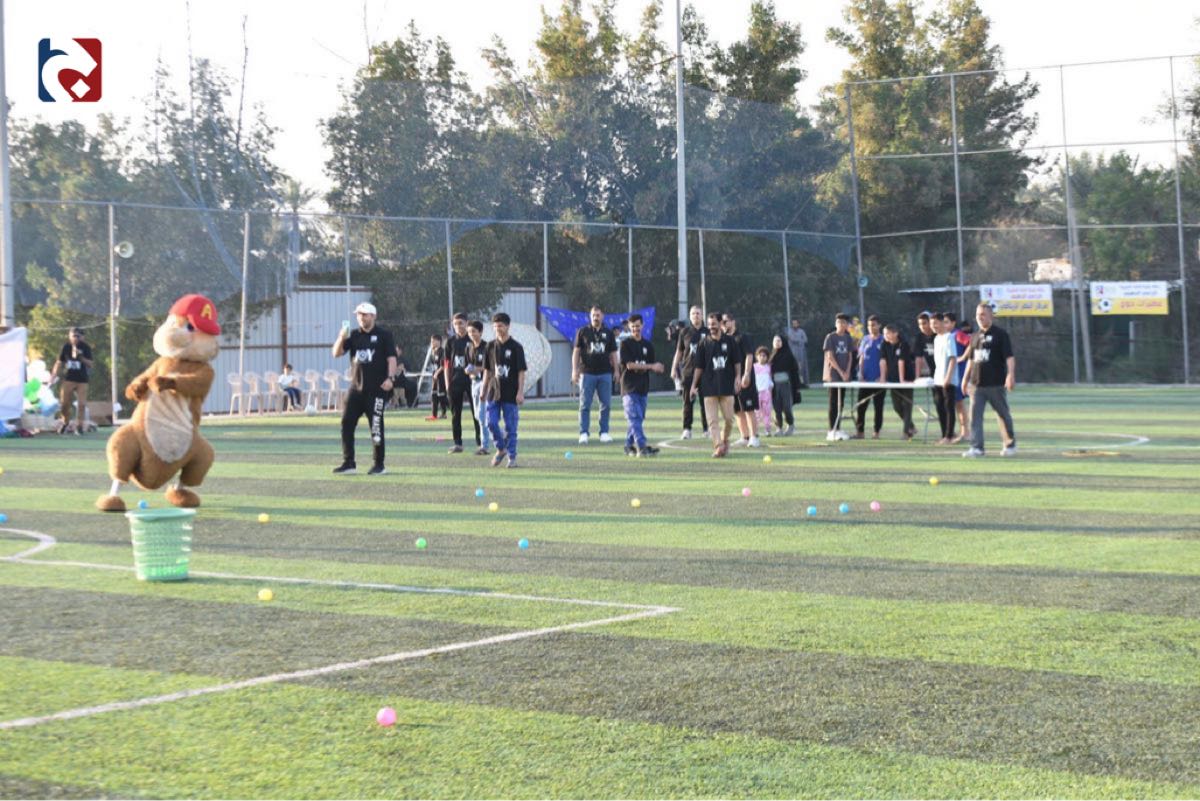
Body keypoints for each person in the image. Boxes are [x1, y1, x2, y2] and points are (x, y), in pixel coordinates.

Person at [331, 302, 397, 475]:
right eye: (359, 315)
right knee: (346, 423)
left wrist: (390, 378)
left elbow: (392, 359)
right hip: (356, 388)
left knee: (376, 426)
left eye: (364, 314)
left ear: (373, 316)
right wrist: (341, 337)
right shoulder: (353, 335)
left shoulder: (384, 335)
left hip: (377, 389)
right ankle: (349, 463)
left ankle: (379, 464)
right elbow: (336, 353)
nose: (361, 318)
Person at [960, 303, 1017, 458]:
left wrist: (1010, 375)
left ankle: (1010, 445)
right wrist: (965, 379)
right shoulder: (974, 336)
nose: (980, 317)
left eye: (983, 314)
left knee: (1003, 415)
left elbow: (1009, 357)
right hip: (976, 385)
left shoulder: (1000, 334)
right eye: (978, 314)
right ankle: (977, 448)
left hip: (995, 384)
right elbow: (971, 360)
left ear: (991, 315)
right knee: (975, 417)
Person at [690, 311, 742, 458]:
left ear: (720, 324)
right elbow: (698, 367)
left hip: (727, 386)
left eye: (714, 324)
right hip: (708, 388)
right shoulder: (703, 343)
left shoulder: (730, 341)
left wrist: (738, 377)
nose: (711, 327)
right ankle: (718, 446)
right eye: (709, 324)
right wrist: (693, 385)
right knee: (712, 421)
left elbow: (737, 362)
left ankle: (725, 441)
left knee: (729, 419)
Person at [482, 312, 527, 468]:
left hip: (511, 393)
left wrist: (520, 392)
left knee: (510, 428)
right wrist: (483, 390)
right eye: (495, 326)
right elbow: (487, 371)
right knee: (491, 423)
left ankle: (512, 458)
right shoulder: (489, 346)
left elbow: (521, 372)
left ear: (507, 326)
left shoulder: (516, 347)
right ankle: (501, 448)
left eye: (500, 326)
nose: (497, 329)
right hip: (493, 391)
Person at [572, 305, 619, 444]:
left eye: (598, 315)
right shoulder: (583, 332)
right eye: (593, 315)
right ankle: (583, 433)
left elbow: (613, 353)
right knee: (585, 404)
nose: (595, 318)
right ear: (590, 316)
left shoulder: (608, 333)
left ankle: (604, 432)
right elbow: (576, 352)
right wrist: (574, 370)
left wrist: (616, 370)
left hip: (605, 373)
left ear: (602, 316)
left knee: (606, 404)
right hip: (587, 373)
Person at [618, 313, 662, 457]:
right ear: (629, 327)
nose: (635, 329)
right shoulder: (625, 344)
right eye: (632, 327)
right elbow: (630, 365)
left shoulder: (648, 345)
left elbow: (652, 365)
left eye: (637, 326)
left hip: (643, 388)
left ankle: (628, 445)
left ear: (642, 326)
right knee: (634, 418)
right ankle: (642, 447)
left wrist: (657, 368)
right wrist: (651, 366)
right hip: (629, 387)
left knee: (638, 419)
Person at [670, 305, 708, 439]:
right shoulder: (684, 332)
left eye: (698, 313)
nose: (696, 316)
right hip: (688, 372)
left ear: (702, 315)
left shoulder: (708, 332)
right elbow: (679, 352)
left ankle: (707, 429)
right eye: (693, 313)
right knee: (687, 402)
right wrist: (674, 368)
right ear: (690, 316)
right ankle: (687, 429)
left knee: (706, 402)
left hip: (705, 373)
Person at [723, 314, 760, 448]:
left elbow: (749, 356)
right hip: (731, 380)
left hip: (744, 378)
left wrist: (746, 374)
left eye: (725, 321)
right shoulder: (724, 340)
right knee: (737, 410)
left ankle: (754, 437)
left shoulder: (742, 337)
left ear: (733, 322)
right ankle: (744, 437)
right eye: (721, 322)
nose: (723, 325)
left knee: (748, 408)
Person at [443, 313, 477, 454]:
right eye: (455, 324)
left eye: (461, 323)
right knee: (455, 414)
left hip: (472, 381)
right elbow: (446, 364)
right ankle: (458, 443)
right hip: (455, 381)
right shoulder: (450, 342)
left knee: (476, 413)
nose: (458, 326)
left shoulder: (473, 340)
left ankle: (480, 443)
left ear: (467, 323)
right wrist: (447, 384)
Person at [50, 327, 93, 434]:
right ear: (69, 336)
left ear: (82, 337)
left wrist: (81, 357)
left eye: (78, 336)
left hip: (82, 380)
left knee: (81, 404)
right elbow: (59, 362)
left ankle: (79, 426)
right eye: (74, 336)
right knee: (64, 404)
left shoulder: (86, 347)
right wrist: (54, 374)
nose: (76, 338)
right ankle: (65, 422)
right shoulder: (66, 347)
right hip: (68, 379)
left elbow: (90, 364)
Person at [879, 324, 918, 440]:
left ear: (895, 333)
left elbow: (901, 361)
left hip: (907, 378)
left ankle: (906, 433)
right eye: (884, 333)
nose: (885, 336)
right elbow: (883, 361)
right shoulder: (884, 344)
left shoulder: (903, 344)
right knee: (897, 407)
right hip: (892, 379)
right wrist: (883, 377)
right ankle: (911, 426)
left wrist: (902, 380)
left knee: (907, 405)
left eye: (887, 333)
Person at [823, 313, 854, 441]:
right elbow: (830, 357)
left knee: (841, 403)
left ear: (847, 325)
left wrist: (847, 372)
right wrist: (841, 372)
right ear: (836, 324)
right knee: (833, 402)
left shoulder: (848, 338)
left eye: (844, 322)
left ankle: (838, 428)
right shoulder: (830, 337)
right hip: (834, 376)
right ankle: (831, 430)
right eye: (839, 322)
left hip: (844, 376)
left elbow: (850, 356)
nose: (841, 324)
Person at [853, 315, 885, 439]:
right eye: (869, 325)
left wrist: (882, 376)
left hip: (878, 380)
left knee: (878, 407)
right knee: (861, 406)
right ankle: (860, 432)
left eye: (873, 325)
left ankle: (876, 432)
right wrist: (860, 374)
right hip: (865, 380)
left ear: (879, 325)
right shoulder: (865, 339)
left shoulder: (884, 340)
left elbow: (886, 360)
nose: (871, 327)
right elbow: (861, 357)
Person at [464, 320, 492, 456]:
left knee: (481, 416)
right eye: (469, 332)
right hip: (474, 383)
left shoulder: (487, 347)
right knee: (477, 415)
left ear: (480, 332)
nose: (471, 334)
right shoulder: (469, 347)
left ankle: (484, 446)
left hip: (484, 382)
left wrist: (476, 369)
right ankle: (501, 433)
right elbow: (468, 366)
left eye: (474, 331)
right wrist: (468, 371)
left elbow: (489, 368)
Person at [931, 314, 958, 444]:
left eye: (935, 323)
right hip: (937, 379)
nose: (933, 326)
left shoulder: (949, 337)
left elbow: (953, 358)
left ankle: (949, 436)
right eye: (932, 324)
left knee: (948, 408)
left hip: (948, 380)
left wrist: (948, 377)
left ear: (942, 323)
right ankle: (944, 435)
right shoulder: (936, 339)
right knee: (939, 407)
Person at [769, 334, 800, 436]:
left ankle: (790, 425)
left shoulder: (789, 356)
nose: (777, 343)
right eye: (775, 341)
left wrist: (797, 387)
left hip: (786, 385)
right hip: (774, 386)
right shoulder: (771, 357)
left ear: (783, 342)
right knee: (777, 408)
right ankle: (779, 428)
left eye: (779, 341)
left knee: (787, 407)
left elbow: (794, 372)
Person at [752, 346, 774, 436]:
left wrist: (770, 387)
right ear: (757, 356)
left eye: (764, 356)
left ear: (767, 357)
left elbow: (770, 379)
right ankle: (755, 431)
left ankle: (767, 430)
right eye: (760, 355)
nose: (762, 357)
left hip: (766, 393)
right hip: (756, 393)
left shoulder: (768, 367)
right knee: (756, 413)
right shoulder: (754, 367)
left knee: (767, 412)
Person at [427, 334, 448, 421]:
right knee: (434, 395)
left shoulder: (442, 352)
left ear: (438, 341)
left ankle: (443, 413)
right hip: (435, 378)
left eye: (433, 341)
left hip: (441, 377)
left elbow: (443, 366)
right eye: (431, 341)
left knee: (441, 395)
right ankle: (434, 415)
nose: (432, 343)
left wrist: (436, 373)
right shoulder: (432, 351)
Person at [913, 312, 936, 379]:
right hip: (930, 373)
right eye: (920, 324)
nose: (922, 326)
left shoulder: (938, 335)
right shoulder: (919, 337)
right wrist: (917, 377)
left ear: (930, 323)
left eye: (924, 323)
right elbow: (918, 358)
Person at [786, 319, 809, 386]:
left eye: (796, 323)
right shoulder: (790, 331)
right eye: (793, 323)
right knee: (795, 368)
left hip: (802, 353)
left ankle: (804, 383)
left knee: (803, 368)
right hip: (793, 354)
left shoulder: (801, 331)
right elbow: (793, 339)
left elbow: (805, 340)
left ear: (798, 324)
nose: (795, 325)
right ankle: (795, 383)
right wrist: (800, 340)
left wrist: (799, 341)